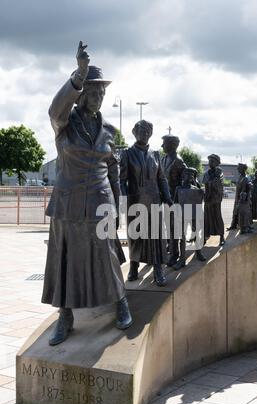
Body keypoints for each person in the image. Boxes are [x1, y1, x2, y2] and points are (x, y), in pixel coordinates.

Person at [42, 41, 132, 346]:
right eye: (93, 92)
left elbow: (114, 168)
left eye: (101, 93)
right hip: (67, 203)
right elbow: (55, 109)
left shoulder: (109, 131)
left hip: (100, 200)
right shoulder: (64, 124)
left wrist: (116, 203)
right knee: (63, 259)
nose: (98, 97)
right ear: (81, 96)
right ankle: (65, 316)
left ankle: (120, 302)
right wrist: (78, 75)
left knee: (107, 255)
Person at [120, 120, 173, 286]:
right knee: (136, 236)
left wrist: (168, 197)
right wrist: (124, 199)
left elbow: (161, 178)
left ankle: (158, 270)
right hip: (135, 201)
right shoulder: (127, 154)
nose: (145, 134)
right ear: (135, 133)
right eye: (142, 131)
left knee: (156, 237)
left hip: (154, 201)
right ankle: (134, 266)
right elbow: (121, 181)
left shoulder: (155, 154)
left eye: (148, 132)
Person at [172, 167, 206, 270]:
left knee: (196, 233)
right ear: (183, 176)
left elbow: (200, 201)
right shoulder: (179, 189)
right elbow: (175, 203)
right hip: (182, 215)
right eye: (187, 175)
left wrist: (201, 191)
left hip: (193, 215)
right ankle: (182, 259)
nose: (189, 177)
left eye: (191, 175)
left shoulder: (195, 189)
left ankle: (198, 252)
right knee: (182, 237)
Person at [161, 134, 186, 266]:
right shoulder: (163, 159)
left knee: (174, 228)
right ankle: (171, 249)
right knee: (168, 227)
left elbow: (185, 183)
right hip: (165, 200)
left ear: (172, 145)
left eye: (164, 143)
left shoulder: (179, 162)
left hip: (175, 202)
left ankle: (175, 254)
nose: (162, 146)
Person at [202, 154, 225, 246]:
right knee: (206, 218)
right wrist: (205, 195)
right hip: (208, 198)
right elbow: (206, 185)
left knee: (217, 217)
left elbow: (218, 184)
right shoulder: (206, 173)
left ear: (217, 163)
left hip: (216, 199)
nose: (209, 163)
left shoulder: (220, 173)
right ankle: (205, 235)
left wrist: (211, 183)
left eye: (212, 161)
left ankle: (222, 237)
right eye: (209, 161)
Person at [228, 163, 253, 234]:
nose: (237, 169)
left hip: (243, 199)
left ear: (243, 169)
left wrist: (249, 188)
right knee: (235, 211)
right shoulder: (240, 176)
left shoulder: (246, 177)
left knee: (244, 213)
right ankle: (233, 225)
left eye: (238, 168)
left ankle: (246, 227)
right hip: (238, 197)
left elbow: (249, 186)